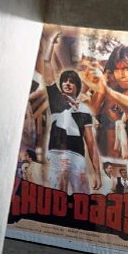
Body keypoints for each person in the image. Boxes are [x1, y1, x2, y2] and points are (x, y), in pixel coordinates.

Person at [38, 47, 103, 193]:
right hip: (56, 153)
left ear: (77, 87)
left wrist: (97, 173)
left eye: (71, 82)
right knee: (55, 195)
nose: (67, 83)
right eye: (64, 81)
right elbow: (47, 63)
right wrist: (50, 43)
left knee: (80, 196)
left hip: (77, 155)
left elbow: (91, 143)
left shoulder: (84, 110)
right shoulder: (56, 99)